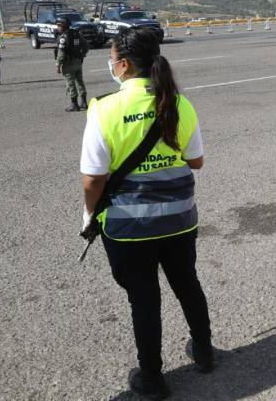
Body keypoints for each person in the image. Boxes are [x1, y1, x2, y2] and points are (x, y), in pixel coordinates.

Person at [80, 27, 214, 400]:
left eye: (111, 59)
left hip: (129, 227)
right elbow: (196, 161)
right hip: (178, 220)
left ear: (123, 65)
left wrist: (88, 215)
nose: (110, 65)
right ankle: (204, 351)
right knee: (187, 283)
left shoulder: (105, 109)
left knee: (143, 299)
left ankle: (152, 378)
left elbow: (93, 178)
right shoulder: (179, 103)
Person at [55, 17, 89, 111]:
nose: (57, 28)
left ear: (63, 26)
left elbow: (61, 53)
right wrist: (82, 55)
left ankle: (74, 104)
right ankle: (84, 103)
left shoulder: (63, 37)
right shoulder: (76, 33)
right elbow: (86, 46)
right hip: (78, 62)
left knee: (70, 83)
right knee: (80, 82)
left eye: (59, 26)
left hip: (68, 64)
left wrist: (58, 65)